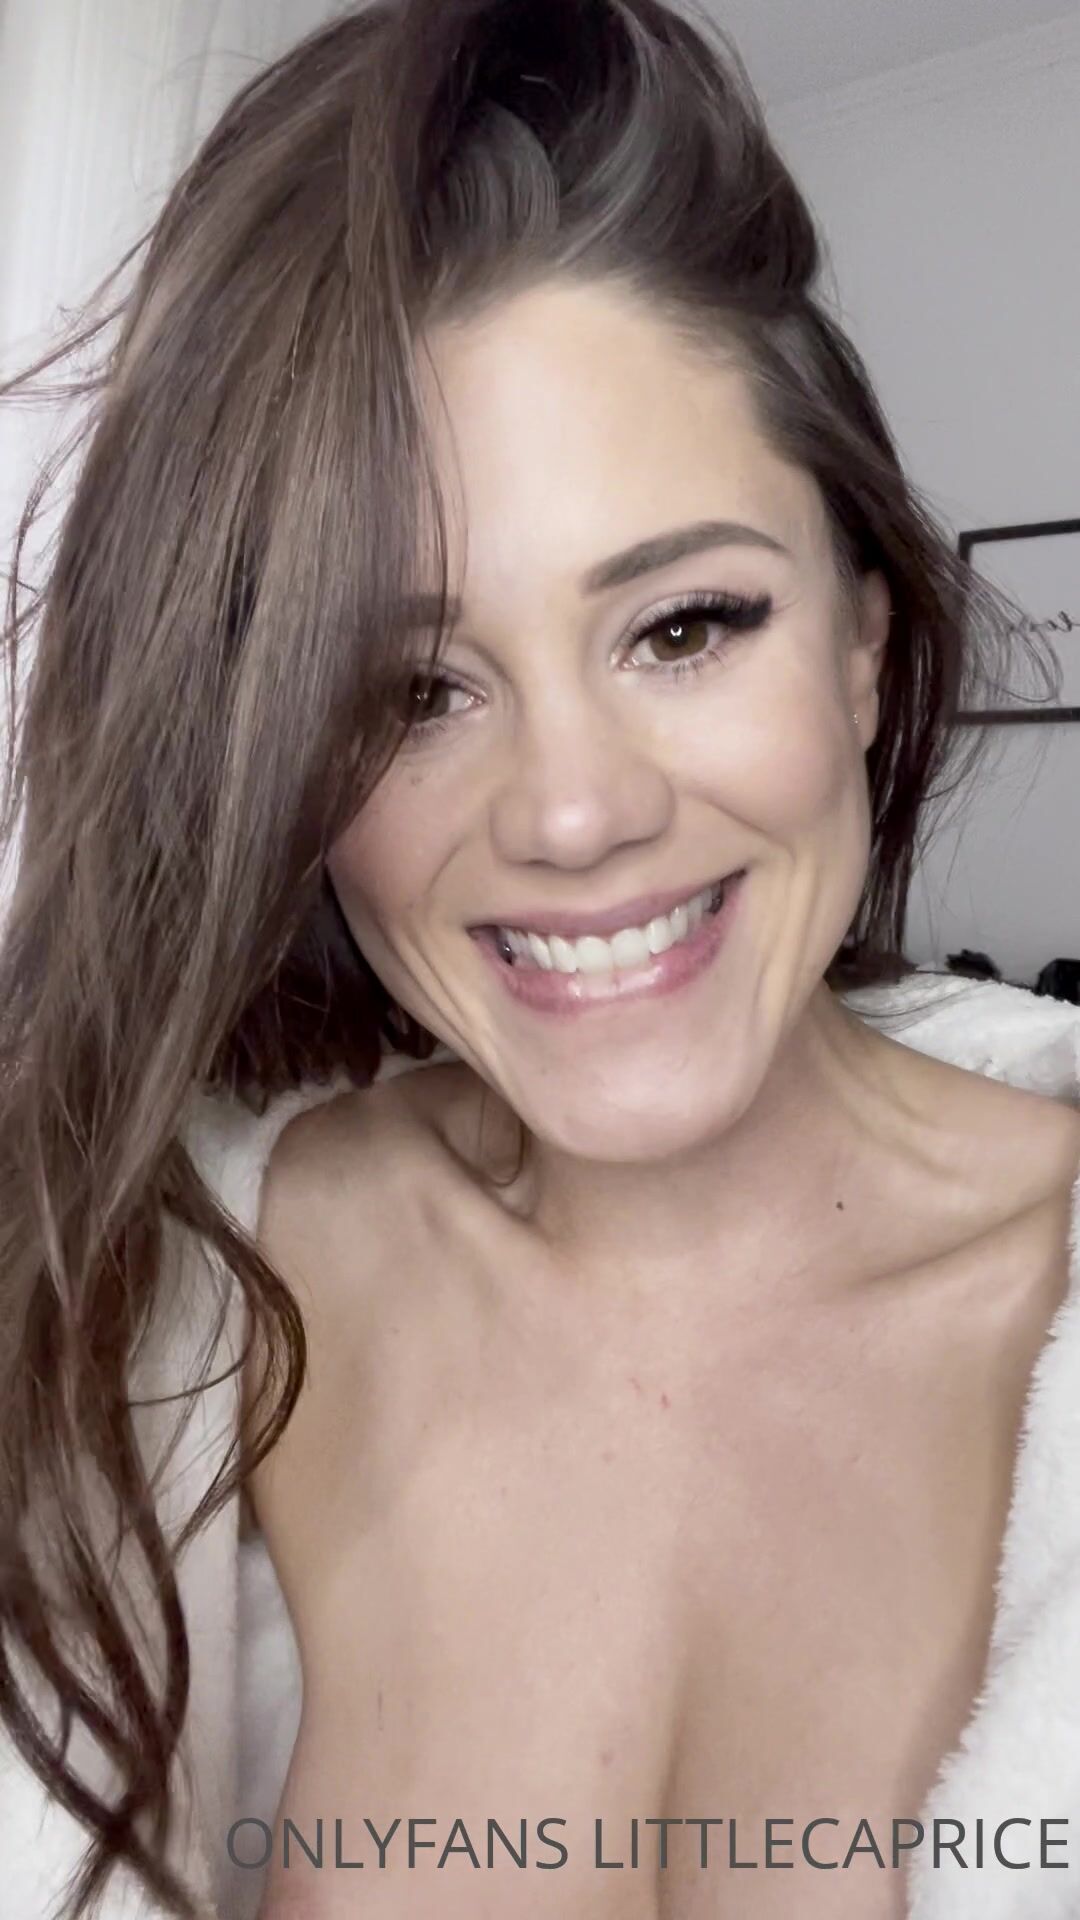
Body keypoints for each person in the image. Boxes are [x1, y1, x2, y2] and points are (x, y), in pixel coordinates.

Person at [0, 2, 1078, 1918]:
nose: (572, 813)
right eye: (412, 691)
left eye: (685, 625)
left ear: (865, 647)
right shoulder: (182, 1296)